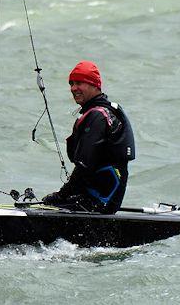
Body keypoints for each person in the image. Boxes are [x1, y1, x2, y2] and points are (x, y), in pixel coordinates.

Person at [42, 60, 135, 214]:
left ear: (94, 85)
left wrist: (61, 196)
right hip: (105, 199)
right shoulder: (107, 110)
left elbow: (84, 166)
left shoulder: (97, 116)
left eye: (79, 83)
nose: (73, 88)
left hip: (96, 201)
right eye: (71, 83)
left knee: (51, 203)